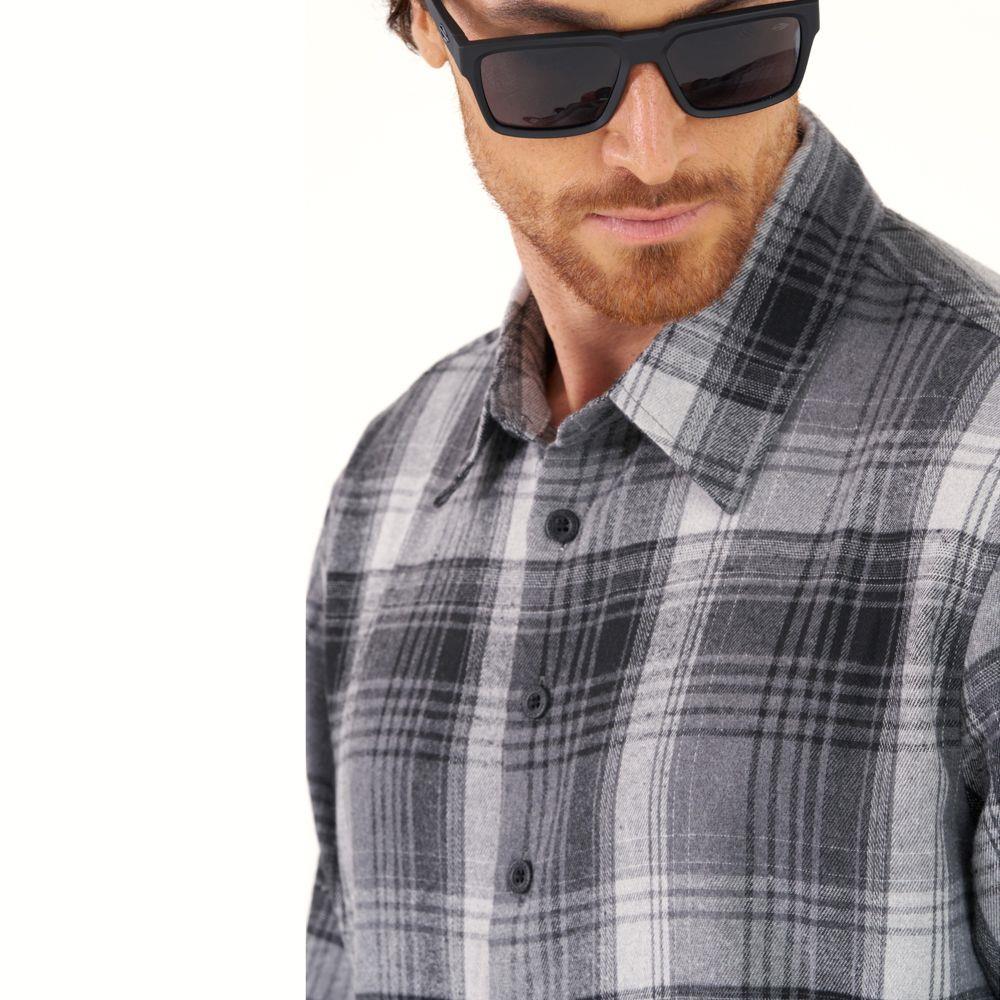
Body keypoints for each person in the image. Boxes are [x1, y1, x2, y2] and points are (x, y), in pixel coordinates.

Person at [307, 1, 1000, 997]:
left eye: (729, 47)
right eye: (556, 67)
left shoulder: (981, 468)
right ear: (426, 22)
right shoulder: (391, 488)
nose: (651, 150)